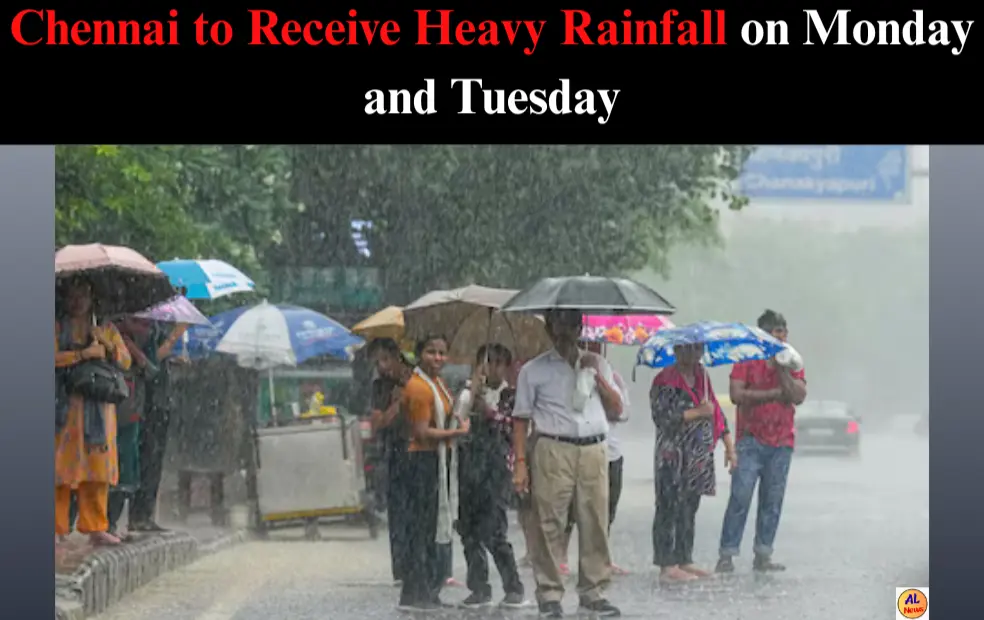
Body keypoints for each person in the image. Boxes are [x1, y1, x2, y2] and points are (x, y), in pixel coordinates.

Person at [512, 310, 623, 618]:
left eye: (572, 324)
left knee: (595, 521)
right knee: (548, 521)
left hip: (593, 449)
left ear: (580, 327)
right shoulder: (533, 370)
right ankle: (549, 592)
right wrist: (520, 463)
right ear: (549, 328)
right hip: (553, 447)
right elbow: (520, 419)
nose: (566, 331)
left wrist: (597, 376)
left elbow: (616, 409)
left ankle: (593, 591)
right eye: (558, 324)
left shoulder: (598, 362)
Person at [716, 310, 807, 573]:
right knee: (740, 497)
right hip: (751, 439)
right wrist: (774, 394)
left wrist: (782, 372)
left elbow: (799, 395)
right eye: (777, 331)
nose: (782, 336)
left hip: (782, 441)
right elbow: (736, 394)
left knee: (772, 500)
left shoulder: (792, 361)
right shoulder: (746, 358)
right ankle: (727, 554)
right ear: (763, 335)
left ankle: (763, 554)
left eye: (784, 331)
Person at [55, 278, 132, 546]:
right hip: (64, 408)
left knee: (97, 471)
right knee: (59, 470)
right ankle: (56, 527)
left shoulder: (106, 328)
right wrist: (81, 355)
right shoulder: (56, 326)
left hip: (98, 410)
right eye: (71, 296)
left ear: (91, 299)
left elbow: (125, 360)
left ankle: (95, 527)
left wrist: (108, 347)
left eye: (82, 296)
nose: (77, 302)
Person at [650, 342, 736, 581]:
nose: (694, 355)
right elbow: (662, 418)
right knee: (668, 506)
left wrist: (728, 444)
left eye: (698, 349)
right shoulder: (665, 380)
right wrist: (697, 413)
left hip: (697, 455)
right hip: (672, 455)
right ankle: (667, 564)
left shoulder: (702, 377)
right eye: (688, 349)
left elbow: (716, 412)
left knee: (690, 507)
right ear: (677, 351)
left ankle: (684, 558)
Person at [398, 335, 471, 611]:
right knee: (422, 529)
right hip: (422, 461)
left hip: (435, 460)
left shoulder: (437, 384)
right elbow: (422, 432)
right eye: (431, 352)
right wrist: (456, 433)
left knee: (430, 528)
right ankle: (417, 594)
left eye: (442, 353)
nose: (438, 358)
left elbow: (448, 413)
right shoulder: (419, 388)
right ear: (420, 355)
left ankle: (426, 590)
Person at [454, 344, 526, 609]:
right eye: (487, 362)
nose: (493, 368)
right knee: (468, 530)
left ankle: (513, 586)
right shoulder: (469, 391)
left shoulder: (511, 395)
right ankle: (479, 587)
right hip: (468, 466)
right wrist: (472, 392)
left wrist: (490, 412)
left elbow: (512, 427)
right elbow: (456, 419)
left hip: (495, 468)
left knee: (494, 530)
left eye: (498, 363)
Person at [559, 341, 630, 576]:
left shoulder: (612, 375)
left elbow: (620, 412)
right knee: (571, 508)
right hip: (576, 450)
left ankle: (601, 557)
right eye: (585, 344)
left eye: (596, 345)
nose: (590, 349)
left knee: (605, 510)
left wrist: (598, 378)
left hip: (609, 452)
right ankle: (561, 556)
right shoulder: (565, 373)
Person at [129, 320, 187, 532]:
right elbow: (150, 360)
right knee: (147, 458)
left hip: (161, 401)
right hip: (148, 403)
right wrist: (175, 336)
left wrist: (172, 359)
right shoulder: (145, 328)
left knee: (155, 460)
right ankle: (138, 515)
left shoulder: (157, 327)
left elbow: (159, 359)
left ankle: (146, 513)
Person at [366, 337, 414, 585]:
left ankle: (423, 565)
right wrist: (397, 403)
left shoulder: (416, 377)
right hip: (395, 451)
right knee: (399, 513)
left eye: (386, 359)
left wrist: (408, 391)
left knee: (420, 512)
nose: (382, 366)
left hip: (421, 449)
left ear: (397, 356)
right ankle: (402, 569)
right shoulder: (380, 387)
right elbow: (378, 422)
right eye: (378, 362)